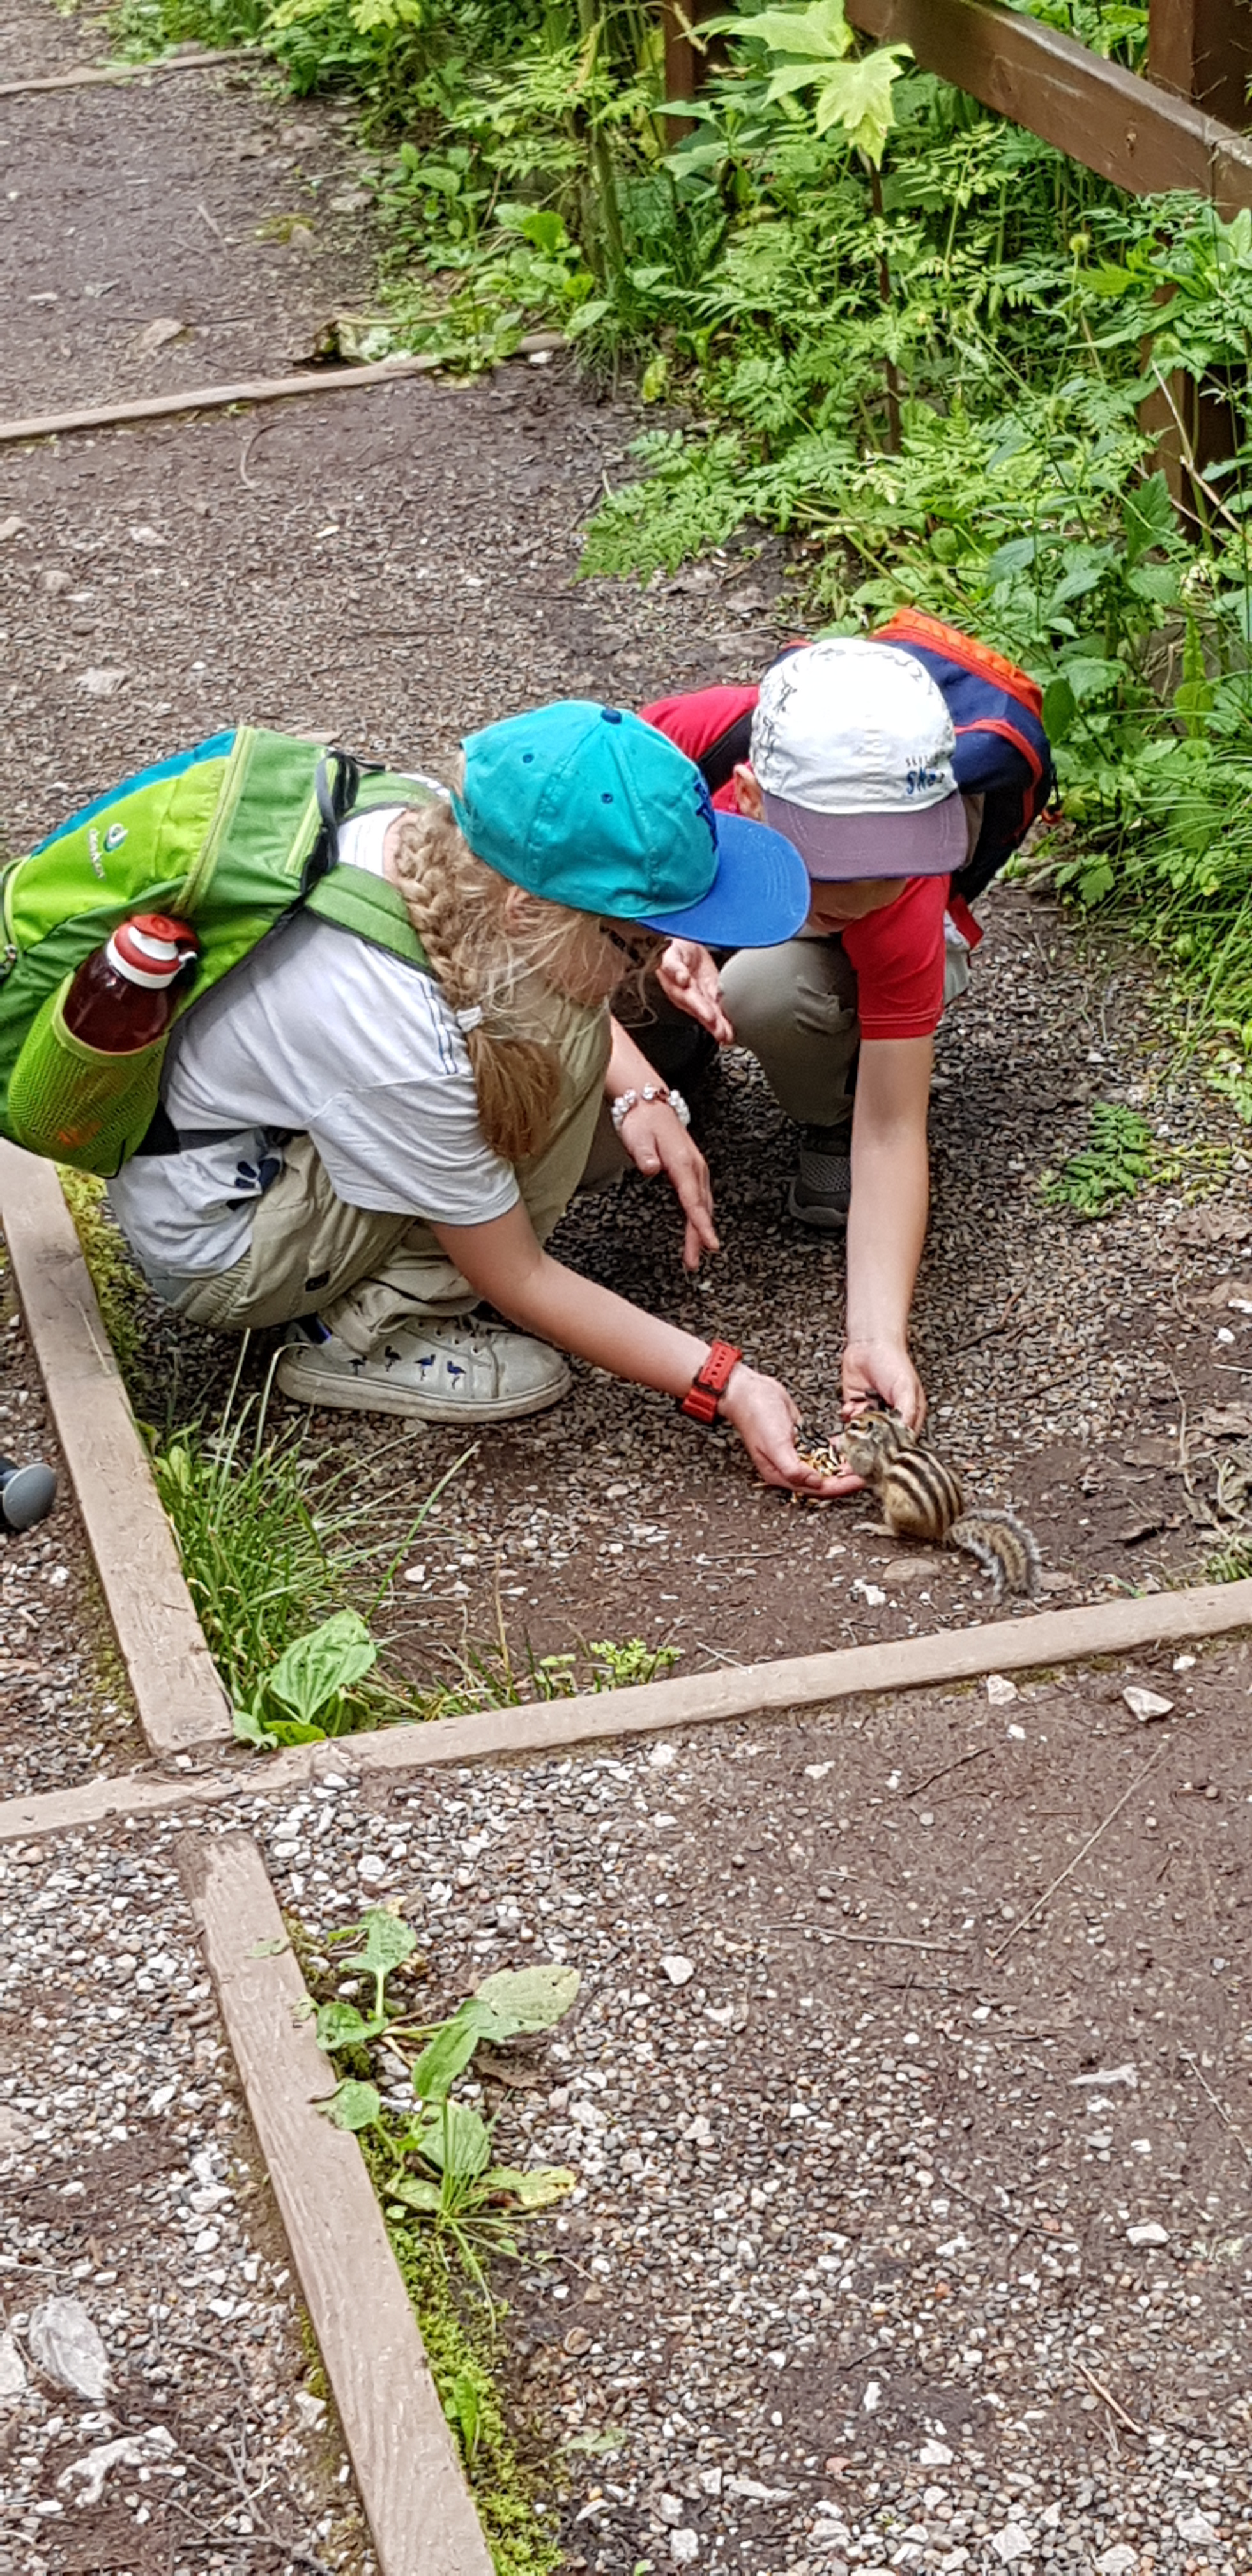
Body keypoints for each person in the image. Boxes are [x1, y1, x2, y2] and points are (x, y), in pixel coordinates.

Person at [103, 699, 843, 1496]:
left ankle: (386, 1264)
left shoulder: (450, 836)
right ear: (531, 914)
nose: (658, 960)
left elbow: (540, 985)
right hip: (227, 1247)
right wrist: (725, 1381)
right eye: (642, 941)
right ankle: (364, 1333)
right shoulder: (402, 1039)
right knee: (551, 1048)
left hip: (245, 1141)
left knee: (560, 1032)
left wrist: (641, 1093)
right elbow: (517, 1273)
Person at [641, 637, 1005, 1457]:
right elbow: (535, 906)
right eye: (835, 879)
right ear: (750, 799)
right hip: (671, 909)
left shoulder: (901, 890)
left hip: (789, 972)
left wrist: (878, 1335)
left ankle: (817, 1113)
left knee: (765, 993)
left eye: (893, 872)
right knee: (617, 996)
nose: (871, 892)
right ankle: (672, 1059)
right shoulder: (665, 758)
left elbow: (892, 1126)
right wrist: (665, 931)